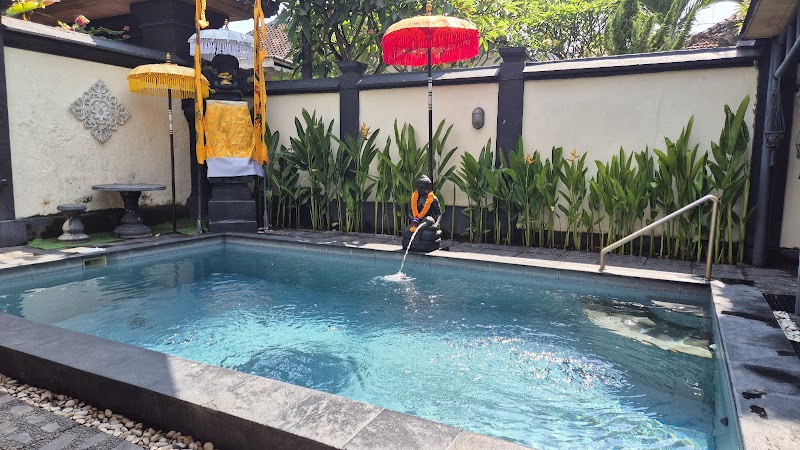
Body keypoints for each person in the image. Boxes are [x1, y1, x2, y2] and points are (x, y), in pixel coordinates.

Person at [402, 175, 442, 252]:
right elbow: (409, 213)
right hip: (416, 221)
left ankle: (434, 235)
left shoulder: (433, 199)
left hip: (427, 222)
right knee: (406, 233)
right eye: (419, 187)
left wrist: (437, 224)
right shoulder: (414, 198)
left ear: (428, 187)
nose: (421, 189)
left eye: (423, 187)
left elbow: (439, 214)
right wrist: (414, 220)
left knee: (427, 235)